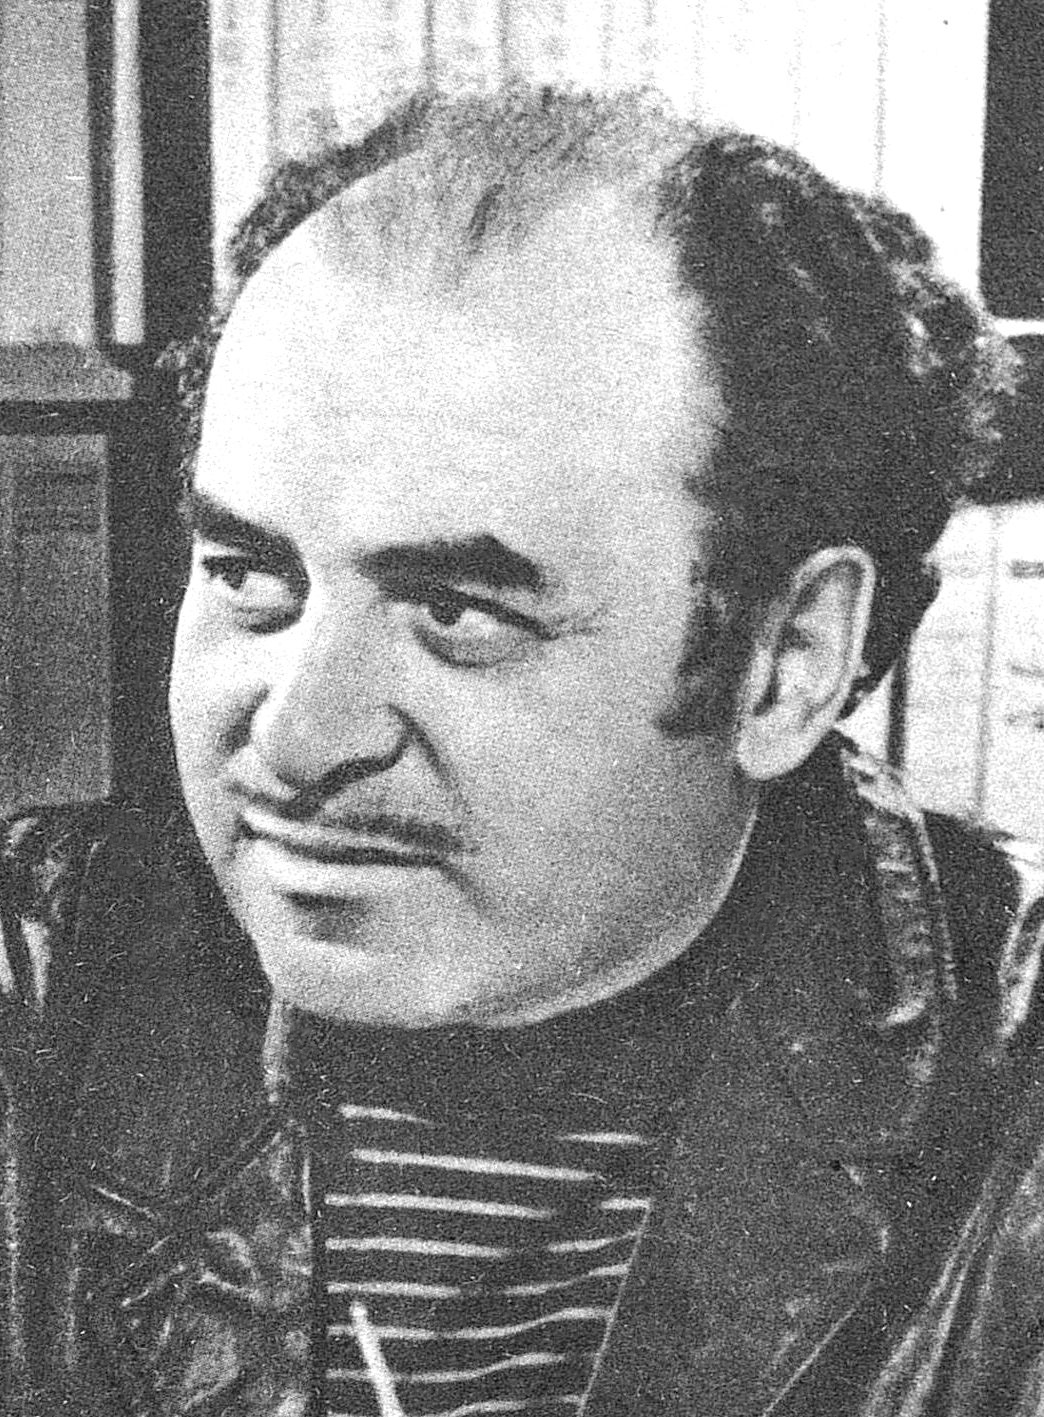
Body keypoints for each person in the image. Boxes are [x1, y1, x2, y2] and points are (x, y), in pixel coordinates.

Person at [1, 88, 1042, 1417]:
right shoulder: (31, 987)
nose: (298, 739)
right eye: (250, 575)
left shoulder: (1014, 1105)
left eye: (459, 612)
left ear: (784, 664)